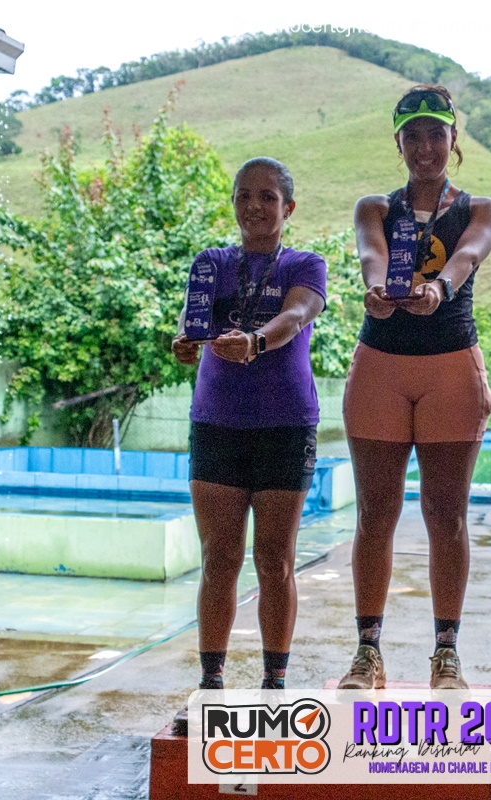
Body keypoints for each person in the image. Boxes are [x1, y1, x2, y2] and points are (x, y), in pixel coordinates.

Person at [337, 85, 491, 691]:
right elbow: (371, 256)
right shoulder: (375, 207)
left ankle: (446, 654)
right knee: (375, 512)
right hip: (381, 364)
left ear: (454, 139)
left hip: (451, 365)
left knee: (446, 514)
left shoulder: (479, 207)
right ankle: (367, 652)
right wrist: (377, 289)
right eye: (413, 136)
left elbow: (469, 254)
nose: (425, 146)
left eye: (437, 134)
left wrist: (441, 288)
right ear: (398, 142)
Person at [171, 157, 327, 691]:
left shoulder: (305, 264)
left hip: (285, 425)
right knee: (219, 558)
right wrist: (184, 341)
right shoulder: (211, 262)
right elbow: (193, 318)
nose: (254, 206)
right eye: (244, 195)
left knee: (275, 560)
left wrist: (256, 341)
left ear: (289, 207)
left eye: (267, 197)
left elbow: (296, 315)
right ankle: (210, 684)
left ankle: (273, 687)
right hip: (217, 421)